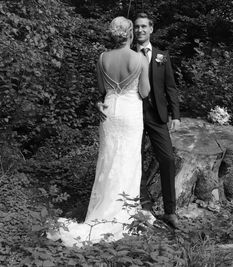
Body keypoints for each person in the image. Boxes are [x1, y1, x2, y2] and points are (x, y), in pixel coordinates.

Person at [47, 16, 154, 247]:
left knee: (107, 160)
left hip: (109, 113)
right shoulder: (139, 58)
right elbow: (145, 93)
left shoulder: (103, 57)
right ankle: (124, 212)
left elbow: (102, 89)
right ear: (130, 35)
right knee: (128, 161)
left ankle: (101, 210)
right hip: (130, 112)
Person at [133, 13, 181, 229]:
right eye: (136, 27)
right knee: (136, 161)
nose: (140, 30)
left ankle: (171, 212)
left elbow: (170, 87)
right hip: (133, 114)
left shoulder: (162, 56)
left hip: (158, 116)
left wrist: (176, 115)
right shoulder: (128, 53)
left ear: (151, 29)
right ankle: (142, 206)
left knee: (168, 159)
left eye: (144, 26)